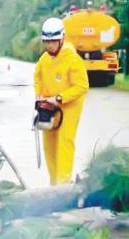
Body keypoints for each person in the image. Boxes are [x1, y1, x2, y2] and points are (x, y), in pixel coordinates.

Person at [33, 17, 89, 185]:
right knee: (49, 143)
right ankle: (54, 183)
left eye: (53, 41)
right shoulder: (44, 59)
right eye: (46, 42)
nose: (49, 45)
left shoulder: (73, 59)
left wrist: (59, 98)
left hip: (69, 108)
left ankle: (63, 183)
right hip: (49, 107)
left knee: (64, 142)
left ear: (62, 39)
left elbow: (82, 86)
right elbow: (38, 77)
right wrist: (40, 96)